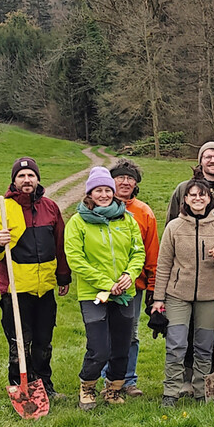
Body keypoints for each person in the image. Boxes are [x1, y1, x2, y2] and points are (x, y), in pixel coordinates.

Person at [0, 157, 71, 399]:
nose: (26, 180)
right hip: (15, 289)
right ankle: (20, 388)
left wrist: (63, 277)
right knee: (19, 343)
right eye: (21, 176)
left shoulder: (50, 207)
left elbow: (59, 244)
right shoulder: (2, 210)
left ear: (38, 179)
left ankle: (44, 387)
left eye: (31, 175)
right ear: (14, 181)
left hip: (44, 290)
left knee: (43, 343)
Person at [64, 167, 146, 411]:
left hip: (124, 294)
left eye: (107, 190)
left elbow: (137, 251)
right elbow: (75, 258)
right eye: (98, 190)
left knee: (122, 345)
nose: (104, 194)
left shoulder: (126, 219)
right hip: (94, 295)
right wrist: (106, 283)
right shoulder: (78, 222)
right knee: (99, 348)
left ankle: (113, 388)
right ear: (90, 193)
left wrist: (129, 276)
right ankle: (87, 387)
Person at [150, 179, 214, 406]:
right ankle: (171, 392)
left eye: (202, 195)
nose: (198, 199)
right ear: (185, 199)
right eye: (193, 195)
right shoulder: (174, 227)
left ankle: (201, 391)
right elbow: (164, 264)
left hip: (209, 296)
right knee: (176, 344)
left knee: (205, 346)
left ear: (210, 199)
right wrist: (158, 299)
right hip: (178, 295)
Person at [166, 141, 214, 379]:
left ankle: (213, 369)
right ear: (201, 160)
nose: (212, 160)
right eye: (207, 156)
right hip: (187, 274)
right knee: (187, 328)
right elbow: (170, 226)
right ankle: (188, 372)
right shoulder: (183, 189)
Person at [95, 159, 159, 398]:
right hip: (100, 284)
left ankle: (127, 379)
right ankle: (106, 379)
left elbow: (151, 251)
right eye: (120, 177)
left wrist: (152, 286)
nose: (125, 182)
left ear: (136, 184)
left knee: (129, 333)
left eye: (130, 178)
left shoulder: (143, 213)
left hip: (133, 285)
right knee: (104, 333)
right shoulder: (95, 210)